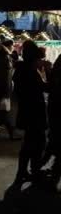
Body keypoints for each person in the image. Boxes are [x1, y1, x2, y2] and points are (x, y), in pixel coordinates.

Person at [13, 41, 48, 185]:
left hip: (26, 110)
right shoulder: (30, 71)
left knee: (29, 142)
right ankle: (34, 171)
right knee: (37, 142)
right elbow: (44, 88)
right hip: (34, 111)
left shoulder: (21, 69)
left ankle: (23, 172)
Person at [43, 55, 61, 189]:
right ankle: (53, 176)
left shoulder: (58, 63)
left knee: (54, 139)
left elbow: (51, 85)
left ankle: (40, 166)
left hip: (55, 106)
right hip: (56, 107)